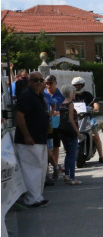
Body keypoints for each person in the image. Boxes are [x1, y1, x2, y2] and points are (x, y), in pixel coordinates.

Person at [14, 71, 49, 207]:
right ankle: (32, 198)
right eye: (36, 80)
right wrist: (27, 135)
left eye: (41, 80)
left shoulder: (38, 96)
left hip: (40, 138)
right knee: (31, 169)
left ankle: (37, 196)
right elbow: (19, 116)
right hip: (29, 140)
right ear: (30, 81)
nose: (39, 83)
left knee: (40, 168)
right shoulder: (27, 96)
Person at [72, 76, 103, 163]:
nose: (78, 87)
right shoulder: (72, 95)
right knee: (69, 136)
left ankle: (101, 156)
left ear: (83, 85)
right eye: (76, 85)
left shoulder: (87, 94)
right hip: (76, 119)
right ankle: (70, 156)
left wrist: (95, 108)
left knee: (96, 136)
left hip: (87, 118)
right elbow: (67, 103)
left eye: (79, 85)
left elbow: (95, 103)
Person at [58, 84, 81, 185]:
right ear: (71, 93)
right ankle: (72, 177)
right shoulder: (70, 104)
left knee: (68, 153)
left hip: (63, 131)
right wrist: (78, 132)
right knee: (72, 155)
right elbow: (71, 119)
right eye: (74, 92)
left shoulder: (60, 104)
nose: (75, 94)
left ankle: (66, 175)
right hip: (71, 132)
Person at [44, 75, 65, 175]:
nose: (48, 85)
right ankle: (48, 168)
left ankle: (55, 165)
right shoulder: (43, 93)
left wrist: (58, 112)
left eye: (50, 83)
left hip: (56, 122)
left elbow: (62, 108)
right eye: (46, 83)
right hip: (45, 122)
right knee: (47, 147)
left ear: (55, 83)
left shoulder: (60, 95)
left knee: (55, 145)